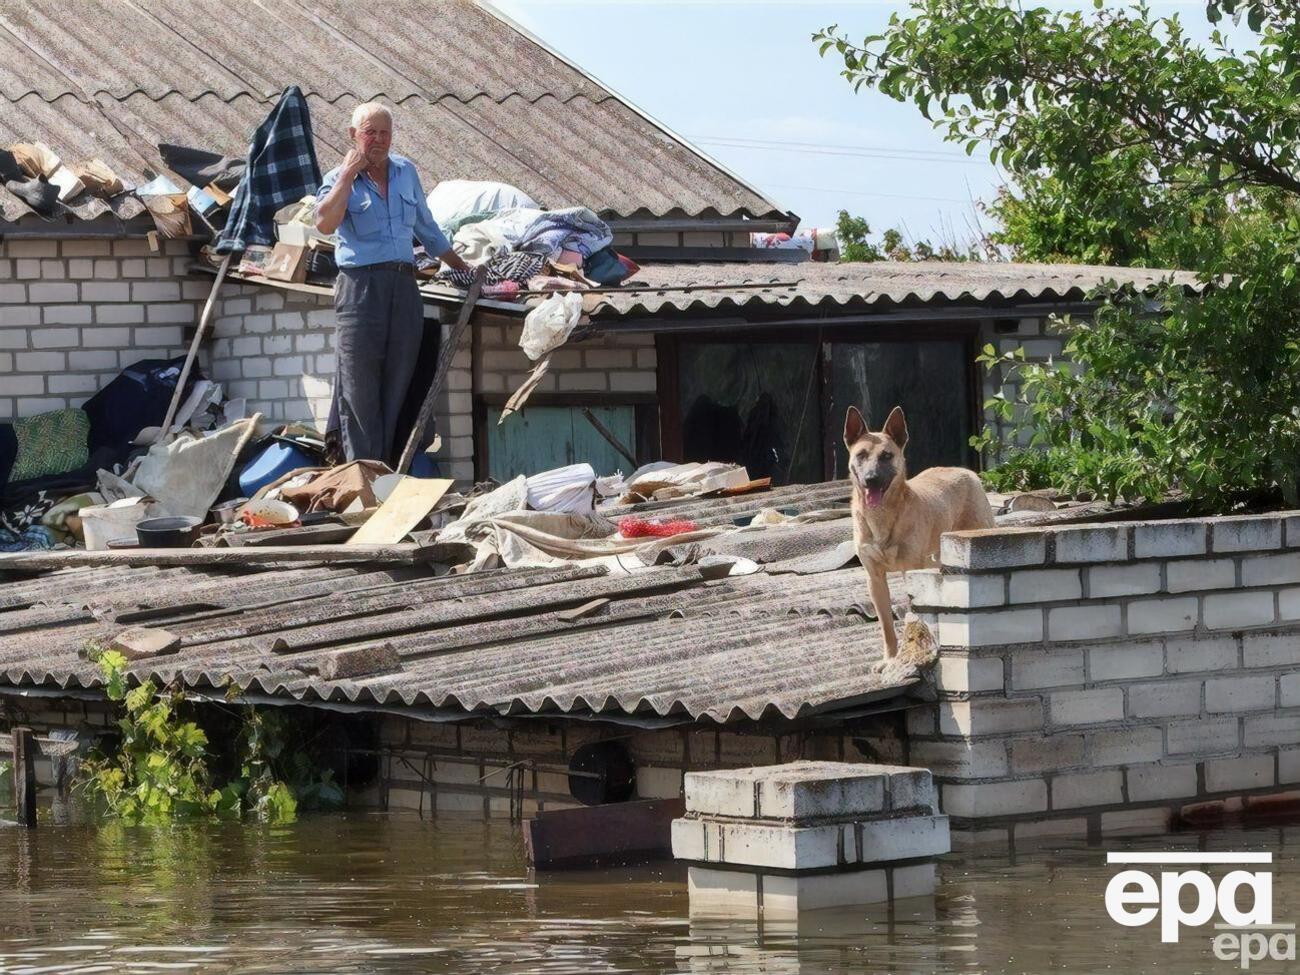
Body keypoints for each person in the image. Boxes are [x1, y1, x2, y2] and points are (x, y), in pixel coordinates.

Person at [315, 102, 471, 463]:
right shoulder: (338, 178)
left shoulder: (405, 172)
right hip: (360, 289)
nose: (379, 140)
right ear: (354, 135)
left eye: (385, 133)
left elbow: (427, 227)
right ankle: (362, 472)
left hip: (404, 286)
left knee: (400, 378)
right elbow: (324, 223)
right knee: (359, 385)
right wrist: (346, 176)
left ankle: (387, 469)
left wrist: (461, 266)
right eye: (370, 132)